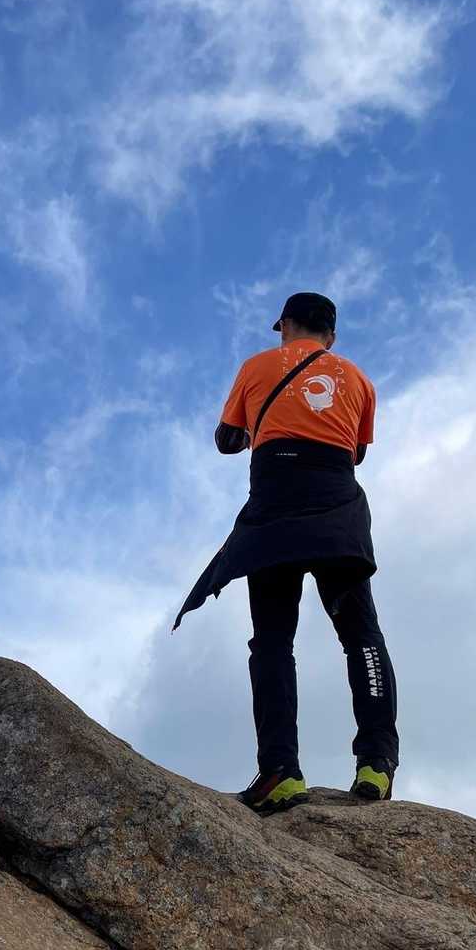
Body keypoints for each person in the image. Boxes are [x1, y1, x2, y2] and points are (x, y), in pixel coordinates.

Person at [173, 292, 399, 815]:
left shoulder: (256, 367)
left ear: (286, 326)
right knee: (361, 636)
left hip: (275, 508)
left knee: (272, 642)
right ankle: (377, 764)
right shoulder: (359, 380)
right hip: (337, 507)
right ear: (331, 337)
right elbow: (356, 451)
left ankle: (280, 771)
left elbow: (226, 440)